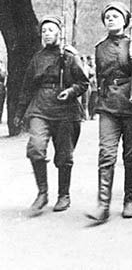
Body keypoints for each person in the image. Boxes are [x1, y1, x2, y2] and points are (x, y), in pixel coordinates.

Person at [86, 2, 132, 223]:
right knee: (106, 154)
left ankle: (130, 199)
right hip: (109, 106)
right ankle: (103, 205)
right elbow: (100, 77)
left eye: (116, 16)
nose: (111, 19)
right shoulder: (99, 48)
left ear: (125, 21)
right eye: (108, 17)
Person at [15, 15, 89, 214]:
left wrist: (71, 91)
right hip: (40, 108)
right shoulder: (37, 58)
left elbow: (83, 83)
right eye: (44, 31)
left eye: (51, 30)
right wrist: (20, 112)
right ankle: (42, 193)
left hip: (65, 111)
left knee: (64, 155)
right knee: (36, 148)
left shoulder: (69, 56)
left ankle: (64, 195)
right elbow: (27, 87)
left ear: (59, 33)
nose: (47, 34)